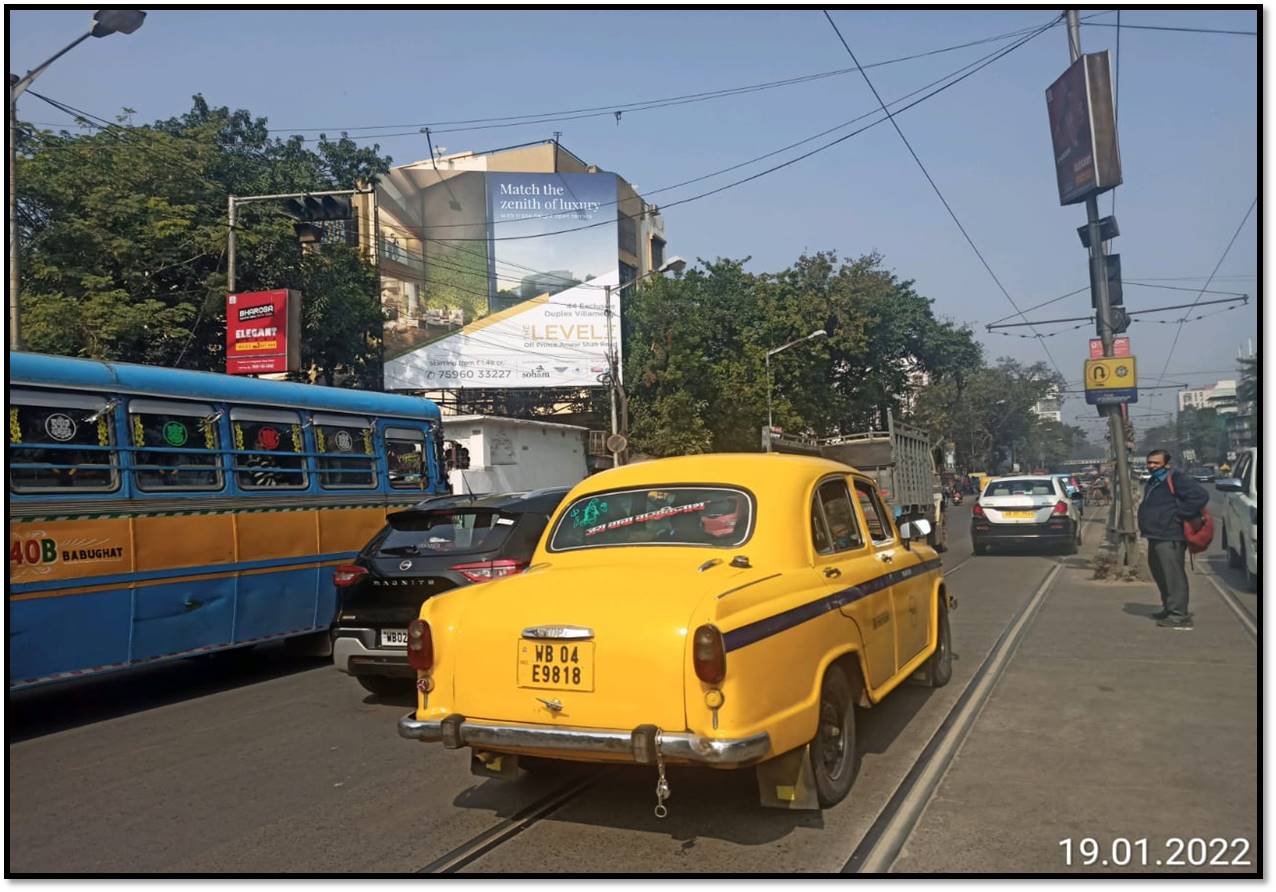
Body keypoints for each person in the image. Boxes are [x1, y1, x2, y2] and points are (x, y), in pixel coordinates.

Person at [1137, 449, 1209, 630]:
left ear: (1167, 464)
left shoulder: (1177, 479)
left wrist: (1178, 515)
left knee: (1173, 575)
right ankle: (1169, 607)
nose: (1151, 466)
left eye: (1156, 463)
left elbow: (1200, 496)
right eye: (1149, 462)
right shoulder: (1153, 481)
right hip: (1155, 534)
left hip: (1170, 535)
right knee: (1160, 573)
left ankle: (1179, 614)